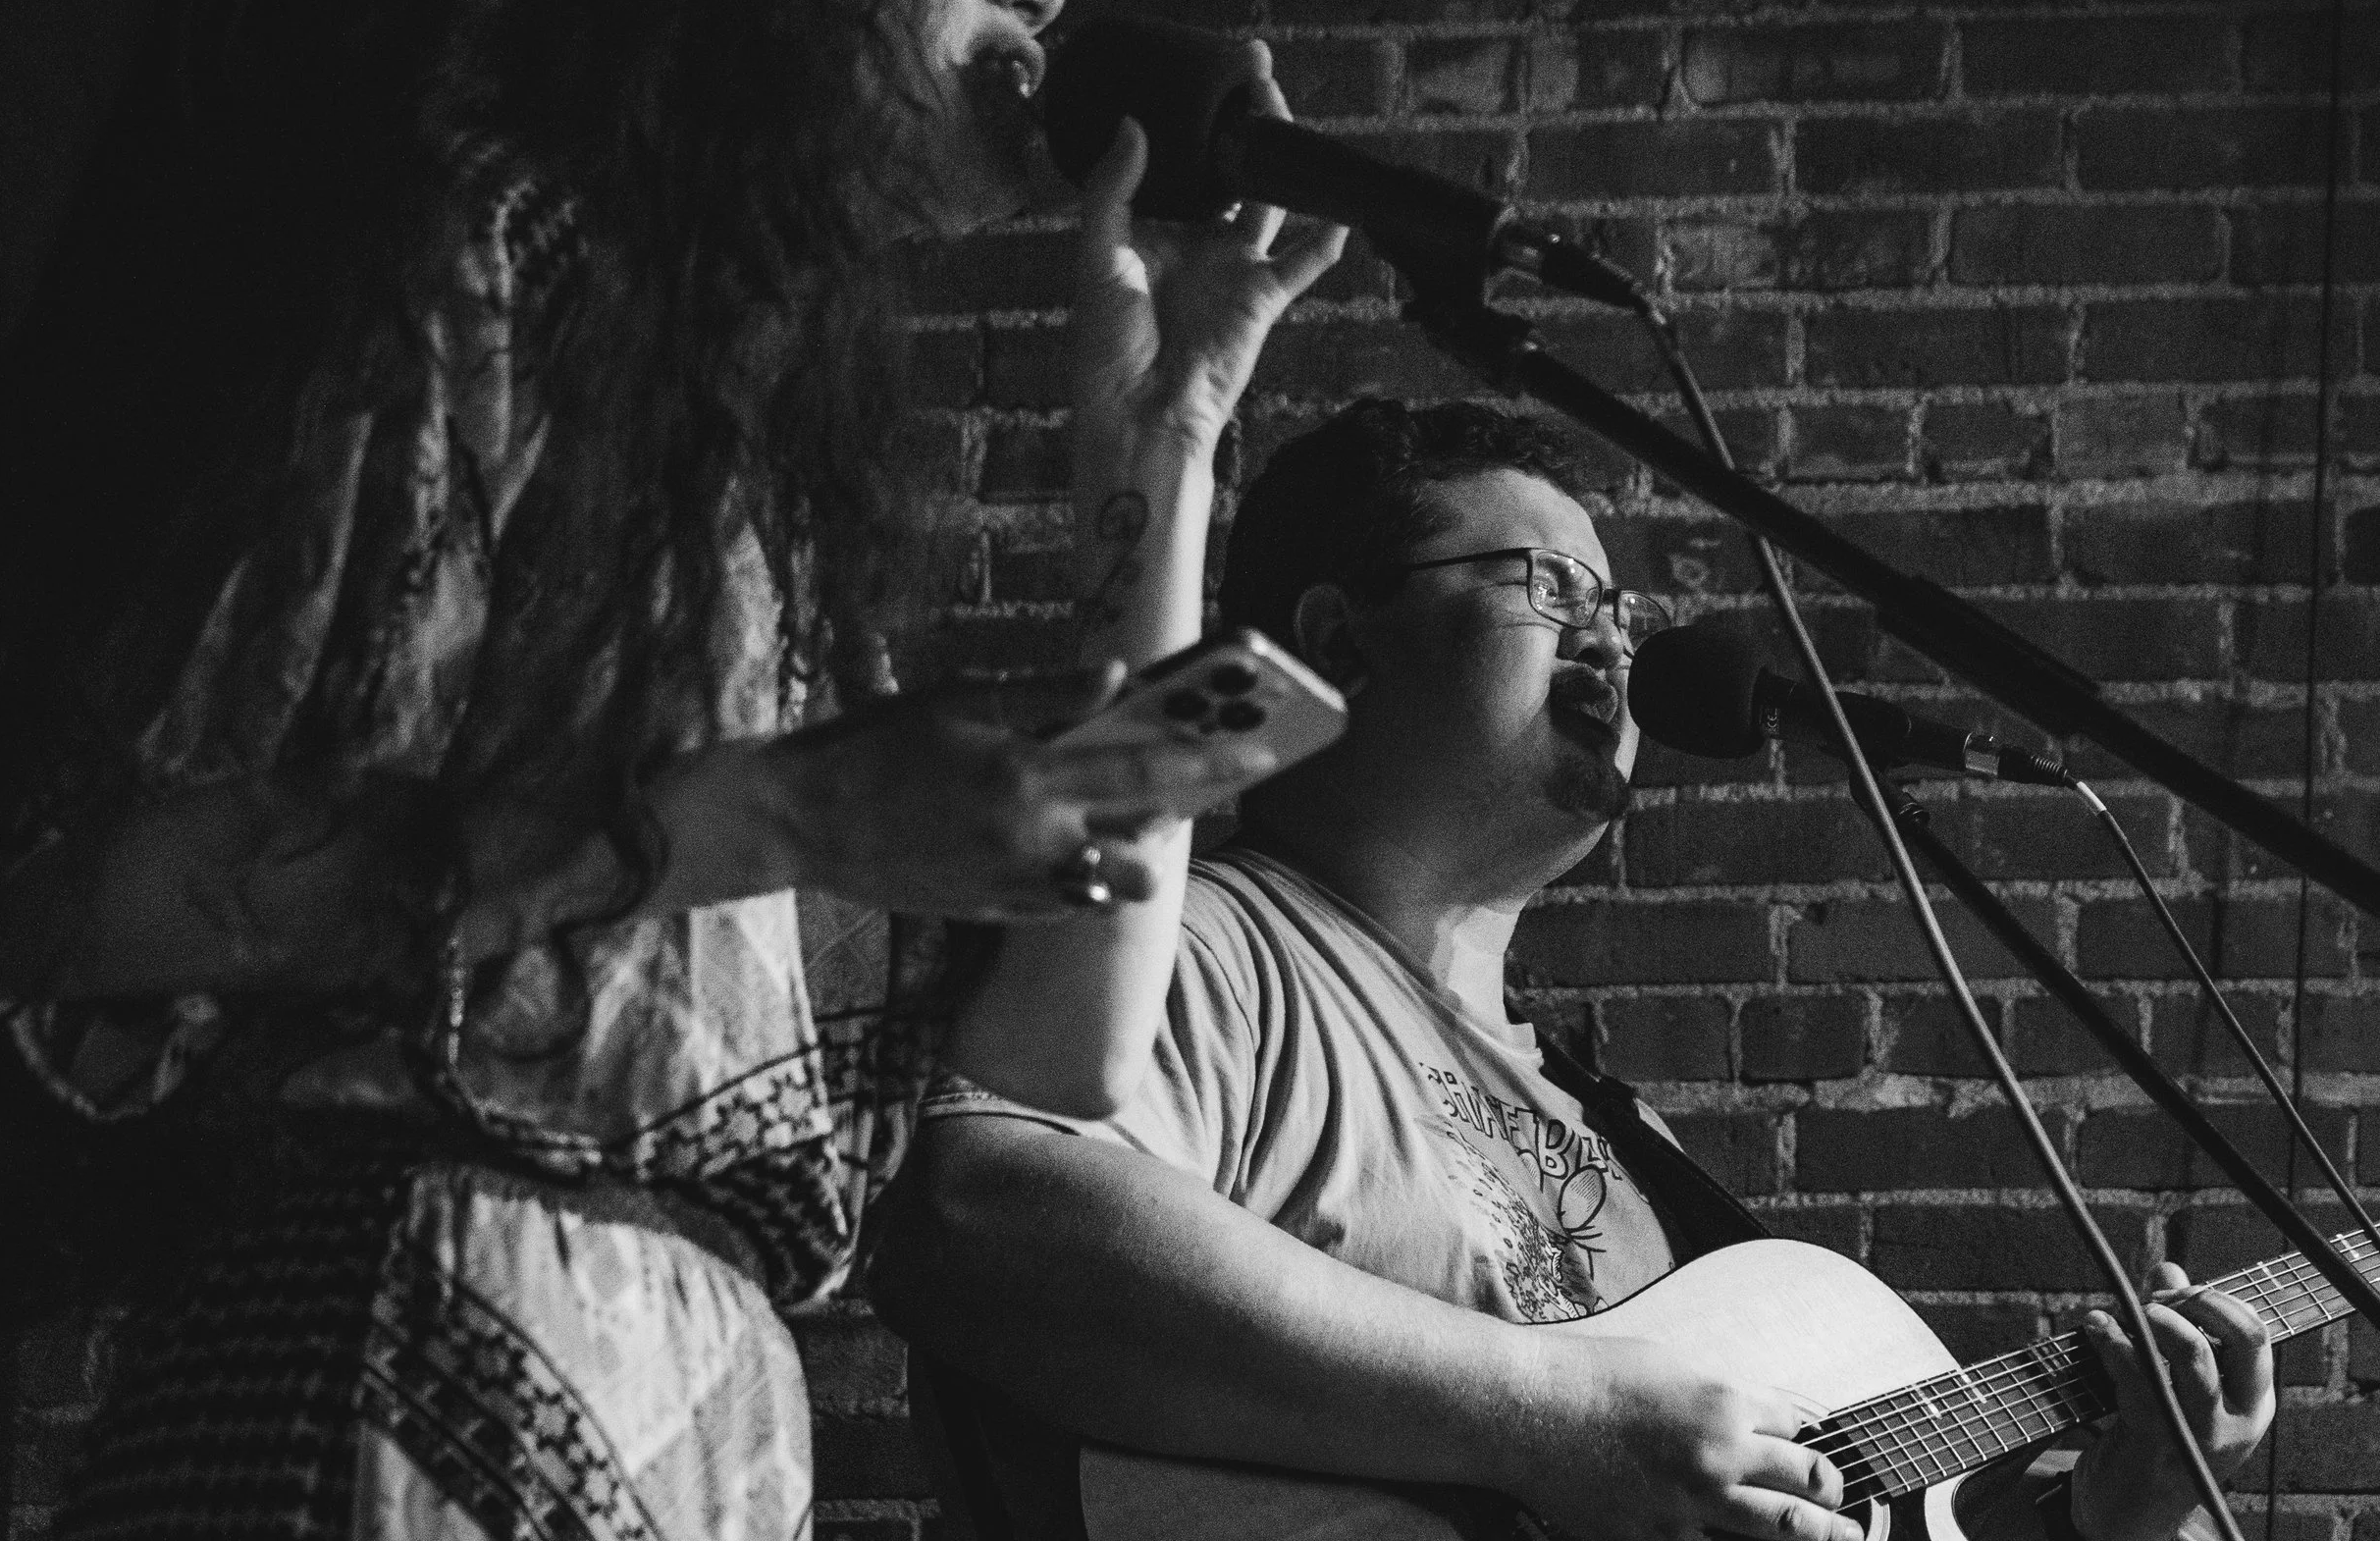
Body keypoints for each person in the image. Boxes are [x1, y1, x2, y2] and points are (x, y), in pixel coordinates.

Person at [0, 0, 1344, 1541]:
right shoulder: (474, 253)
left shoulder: (760, 453)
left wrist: (1163, 449)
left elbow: (1067, 1056)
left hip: (691, 1406)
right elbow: (72, 903)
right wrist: (788, 806)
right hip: (401, 1346)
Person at [870, 397, 2276, 1541]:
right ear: (1335, 636)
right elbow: (978, 1220)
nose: (1613, 635)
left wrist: (2115, 1514)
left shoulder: (1621, 1130)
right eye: (1547, 584)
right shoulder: (1204, 953)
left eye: (1618, 602)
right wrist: (1559, 1421)